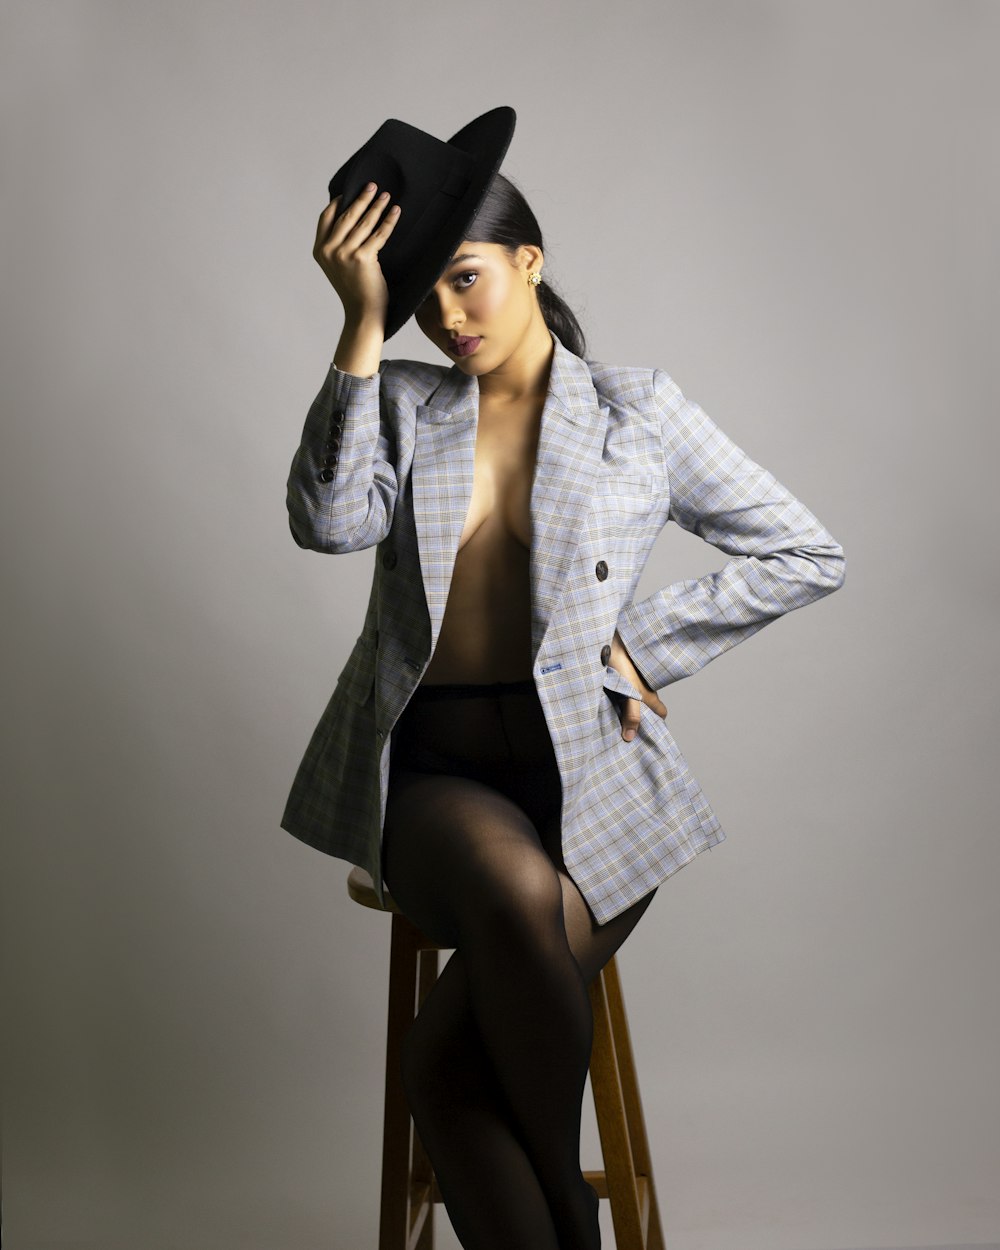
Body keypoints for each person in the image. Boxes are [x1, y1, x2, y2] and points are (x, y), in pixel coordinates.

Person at [283, 118, 845, 1250]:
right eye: (421, 295)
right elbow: (326, 520)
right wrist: (355, 325)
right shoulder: (399, 398)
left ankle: (557, 1218)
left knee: (448, 1086)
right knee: (508, 894)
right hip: (440, 767)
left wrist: (643, 643)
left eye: (465, 278)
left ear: (528, 260)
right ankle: (569, 1207)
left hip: (593, 775)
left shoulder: (637, 412)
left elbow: (806, 550)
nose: (448, 316)